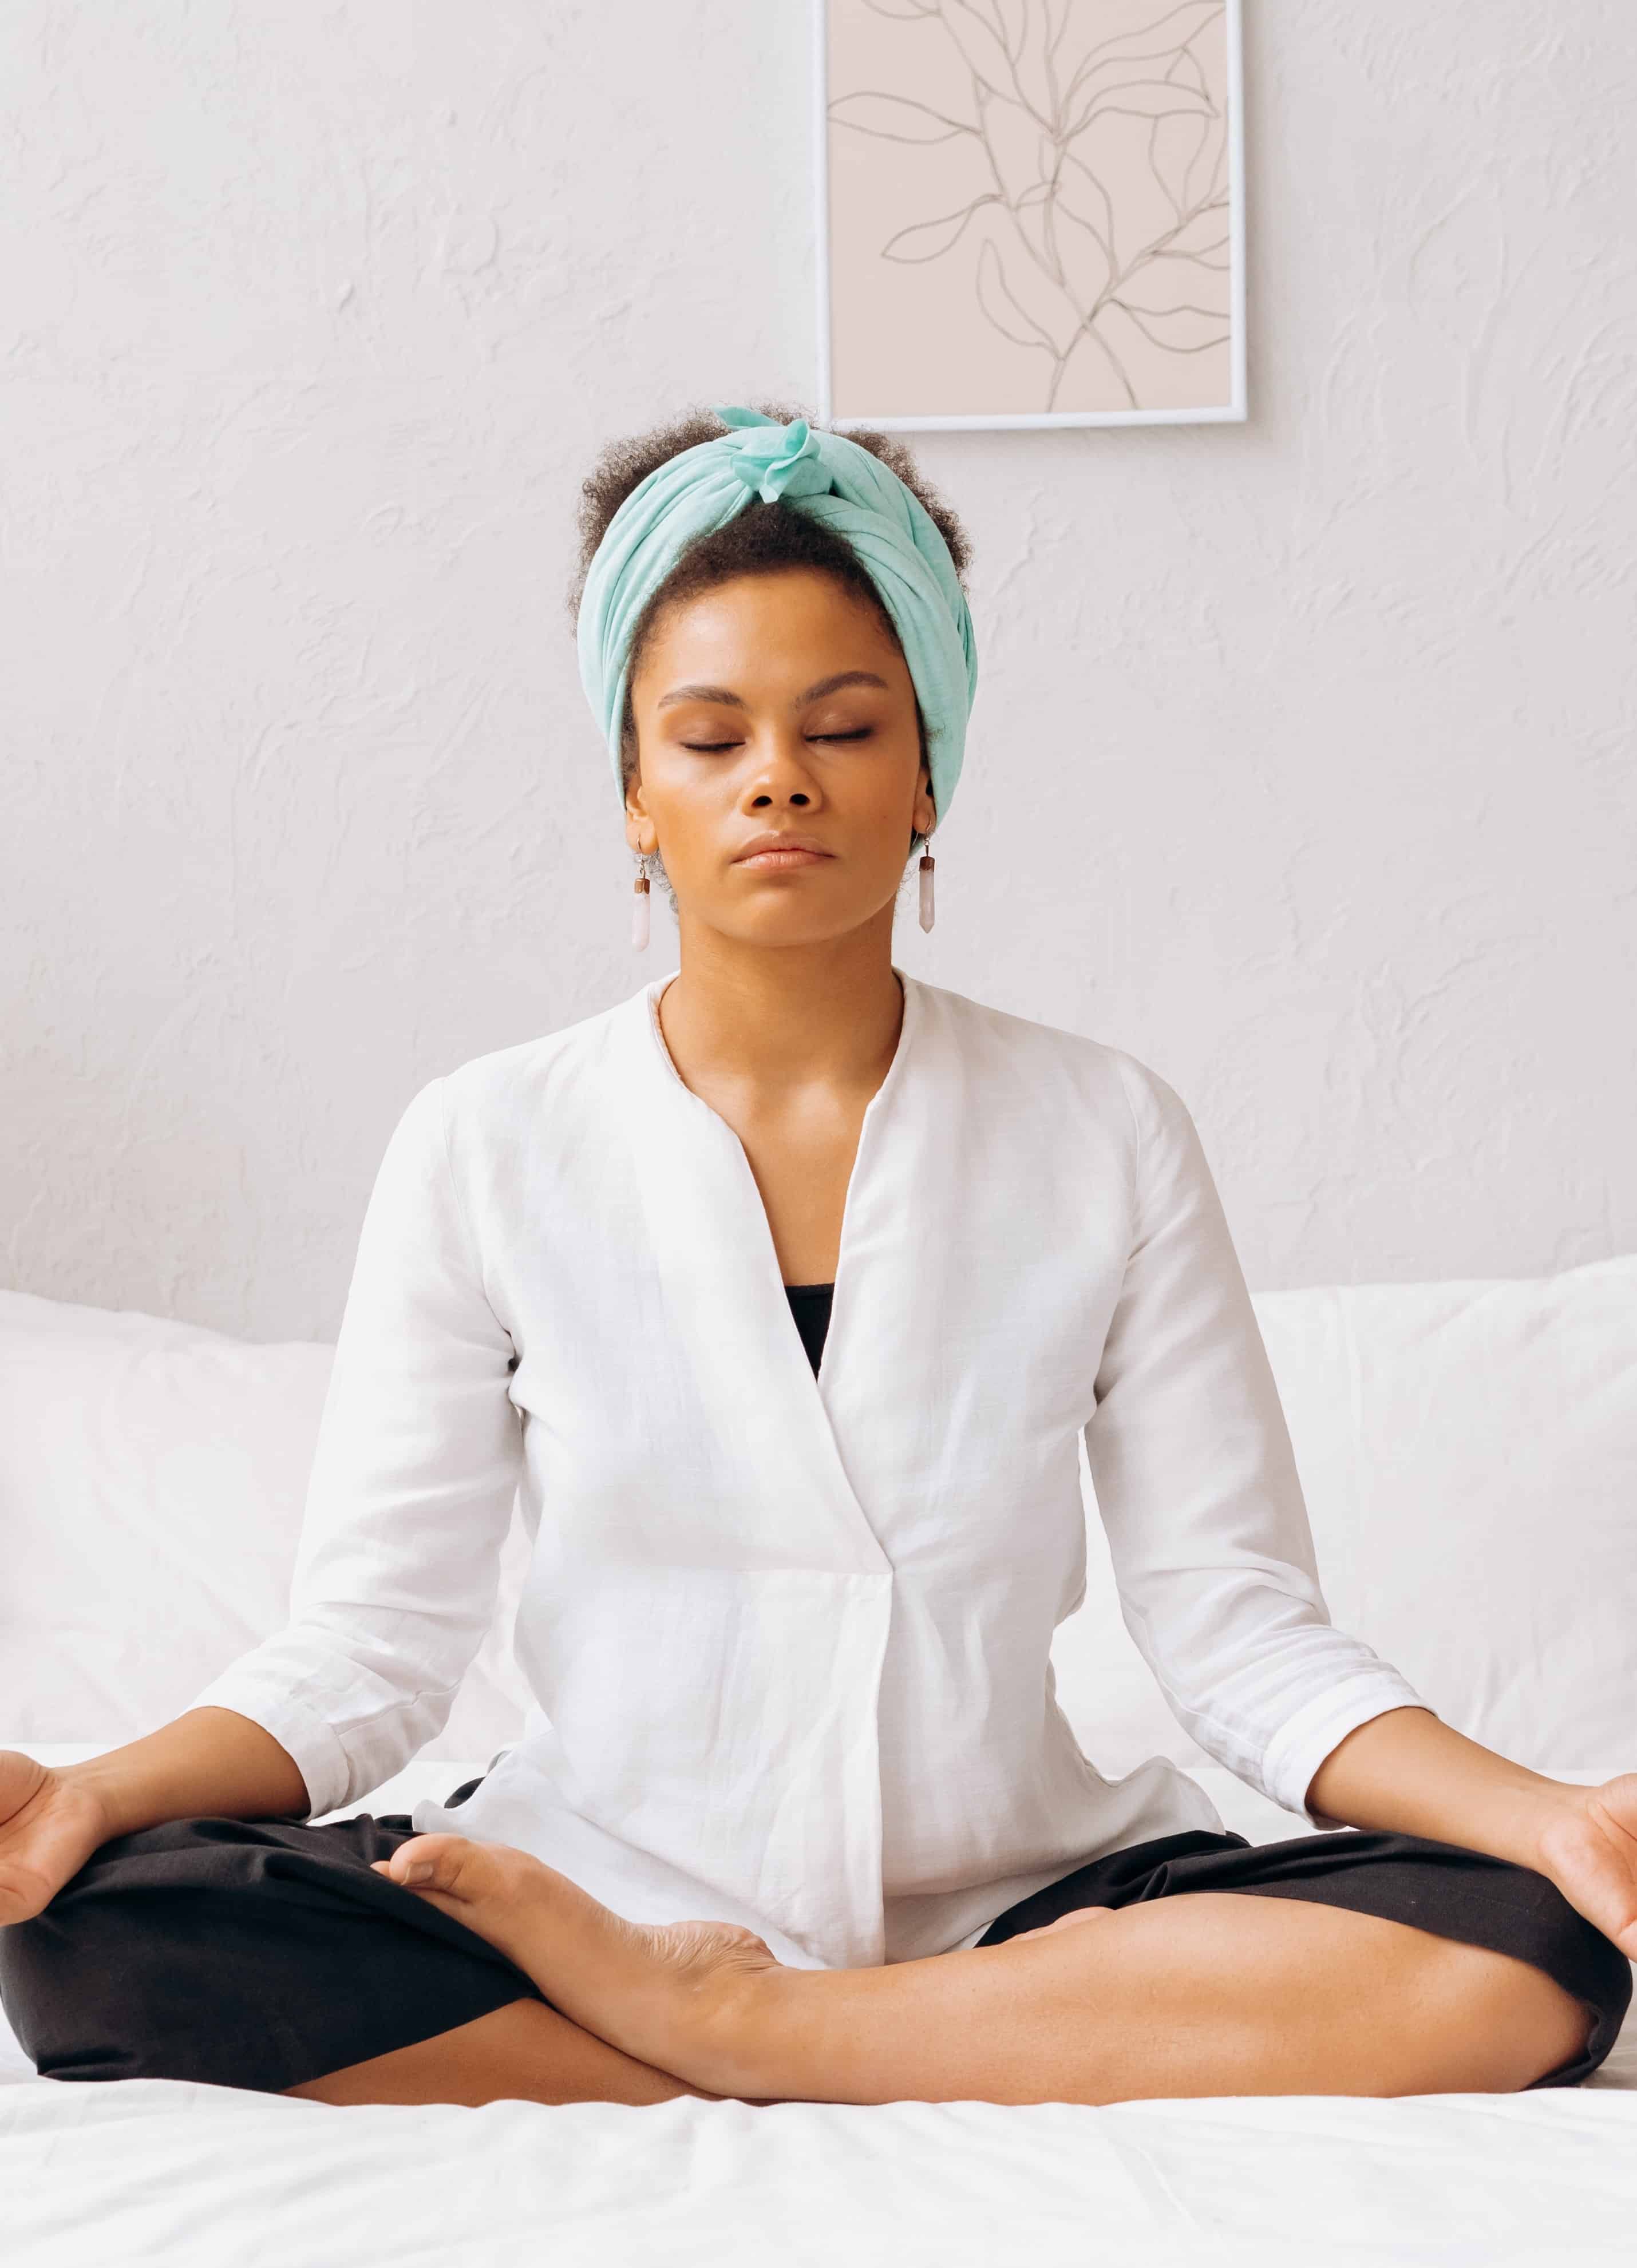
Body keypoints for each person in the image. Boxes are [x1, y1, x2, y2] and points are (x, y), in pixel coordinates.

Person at [2, 403, 1632, 2111]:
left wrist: (1552, 1817)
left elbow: (1239, 1633)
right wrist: (95, 1794)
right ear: (633, 794)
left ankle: (748, 2038)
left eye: (842, 727)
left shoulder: (1103, 1128)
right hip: (588, 1890)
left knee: (1534, 1940)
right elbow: (372, 1645)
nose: (776, 775)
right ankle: (839, 2034)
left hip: (1019, 1906)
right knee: (98, 1931)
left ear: (927, 774)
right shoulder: (484, 1140)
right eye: (708, 737)